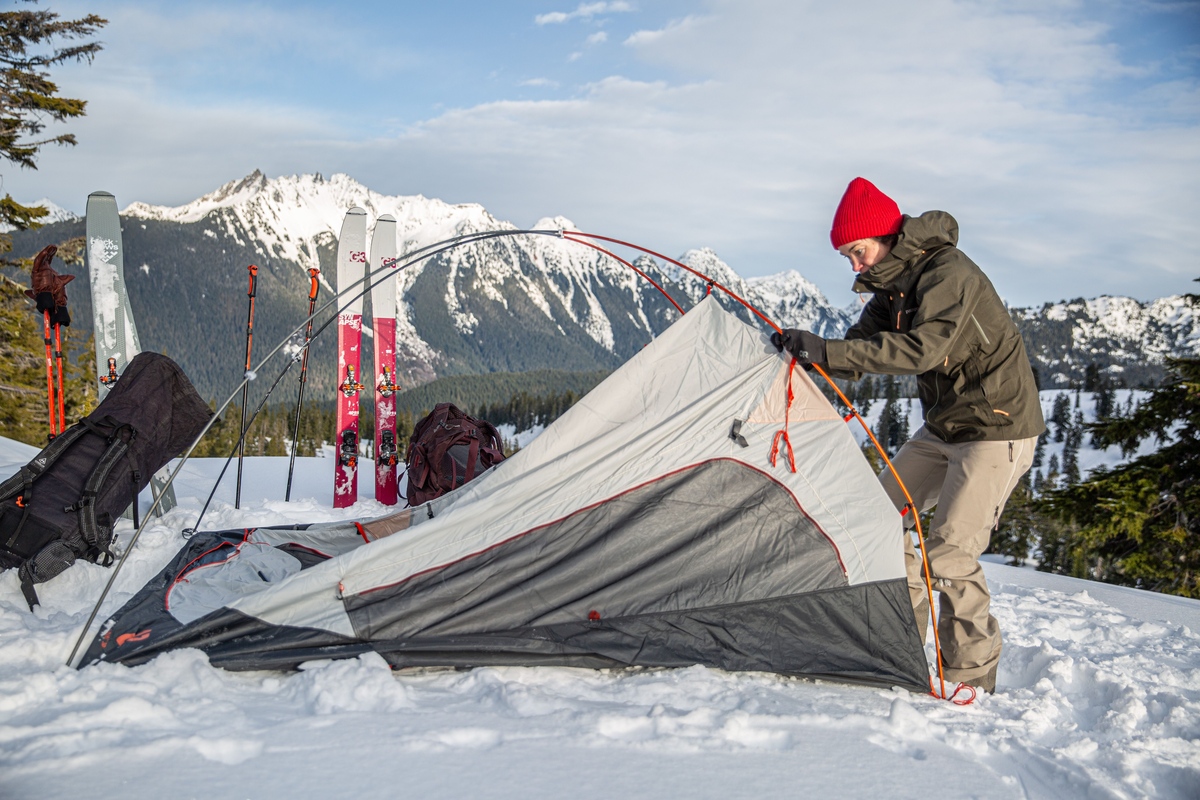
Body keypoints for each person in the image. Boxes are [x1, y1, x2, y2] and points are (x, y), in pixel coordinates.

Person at [773, 177, 1045, 693]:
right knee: (881, 521)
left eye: (858, 251)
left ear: (884, 236)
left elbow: (923, 349)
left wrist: (828, 351)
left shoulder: (948, 273)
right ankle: (901, 650)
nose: (855, 266)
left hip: (996, 428)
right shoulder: (891, 287)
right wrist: (805, 358)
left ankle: (969, 678)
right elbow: (860, 346)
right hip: (944, 428)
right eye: (847, 257)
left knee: (950, 554)